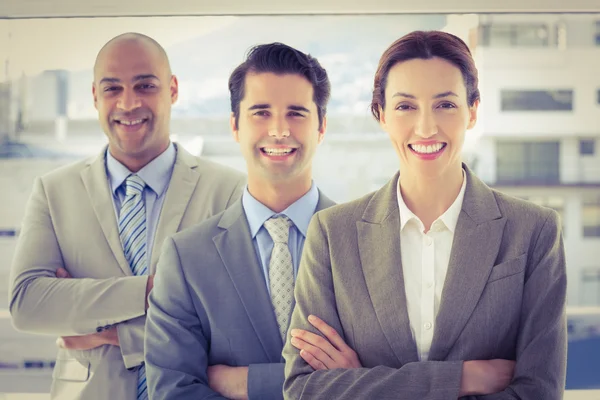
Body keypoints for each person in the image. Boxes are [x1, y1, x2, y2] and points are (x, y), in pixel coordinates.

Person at [283, 30, 567, 400]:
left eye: (445, 105)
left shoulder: (534, 231)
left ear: (473, 111)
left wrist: (366, 383)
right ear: (381, 114)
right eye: (405, 106)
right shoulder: (333, 234)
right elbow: (304, 388)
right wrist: (460, 380)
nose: (427, 127)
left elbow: (539, 393)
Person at [8, 32, 245, 400]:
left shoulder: (228, 191)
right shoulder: (54, 191)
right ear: (94, 97)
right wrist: (151, 291)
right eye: (112, 88)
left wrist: (114, 333)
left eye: (145, 85)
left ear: (173, 89)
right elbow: (27, 304)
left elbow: (231, 321)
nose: (128, 103)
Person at [145, 42, 353, 400]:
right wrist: (334, 384)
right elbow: (172, 392)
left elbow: (386, 380)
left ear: (321, 127)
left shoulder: (364, 243)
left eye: (296, 113)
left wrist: (245, 383)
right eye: (261, 112)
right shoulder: (186, 257)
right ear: (235, 126)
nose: (278, 130)